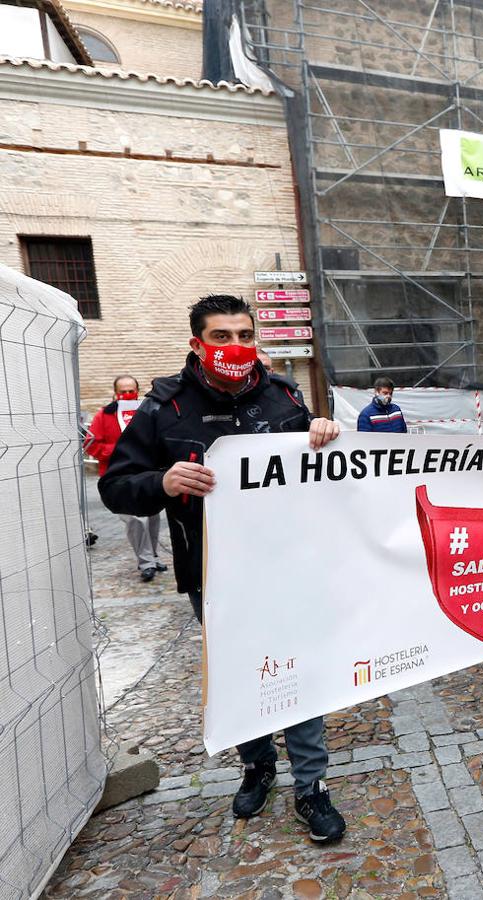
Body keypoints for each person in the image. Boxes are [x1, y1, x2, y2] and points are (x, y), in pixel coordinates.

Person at [99, 294, 348, 844]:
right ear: (197, 343)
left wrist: (325, 436)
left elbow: (322, 474)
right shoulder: (165, 405)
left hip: (286, 564)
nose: (236, 347)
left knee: (297, 672)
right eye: (221, 337)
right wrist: (161, 483)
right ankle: (257, 765)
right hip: (210, 572)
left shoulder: (284, 396)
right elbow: (115, 487)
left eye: (244, 335)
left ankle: (312, 786)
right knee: (240, 673)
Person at [85, 375, 167, 582]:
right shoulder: (105, 415)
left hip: (148, 474)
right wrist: (122, 450)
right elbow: (91, 444)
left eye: (131, 390)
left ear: (138, 390)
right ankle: (146, 562)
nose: (128, 394)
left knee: (152, 516)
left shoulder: (147, 411)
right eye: (123, 391)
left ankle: (153, 556)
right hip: (119, 477)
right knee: (136, 520)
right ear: (115, 393)